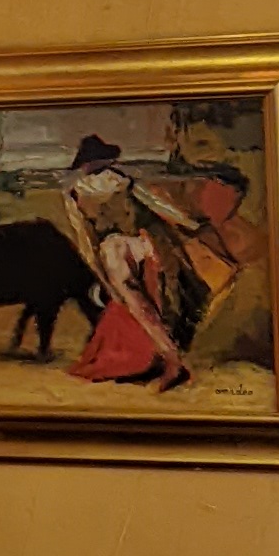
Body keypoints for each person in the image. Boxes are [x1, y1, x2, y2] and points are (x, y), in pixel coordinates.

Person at [55, 134, 203, 389]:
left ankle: (172, 361)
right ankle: (167, 359)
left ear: (83, 163)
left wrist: (102, 279)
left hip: (114, 250)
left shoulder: (73, 193)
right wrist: (191, 224)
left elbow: (86, 241)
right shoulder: (122, 180)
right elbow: (158, 206)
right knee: (154, 303)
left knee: (139, 307)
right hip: (141, 244)